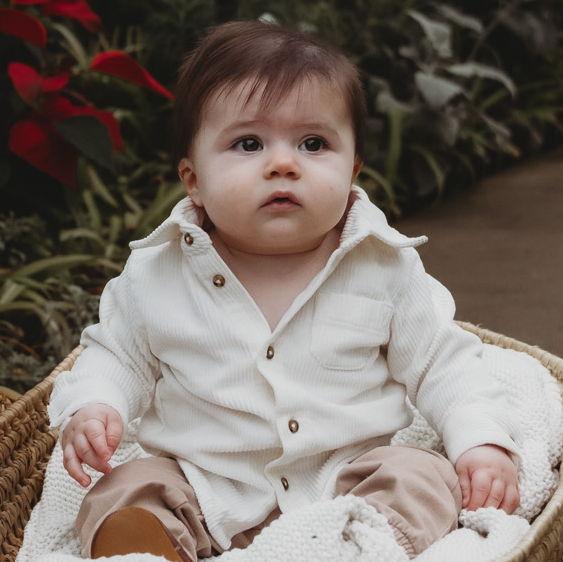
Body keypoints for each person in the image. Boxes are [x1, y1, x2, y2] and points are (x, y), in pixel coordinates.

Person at [47, 19, 521, 562]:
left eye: (313, 143)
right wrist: (95, 405)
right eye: (248, 143)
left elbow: (444, 363)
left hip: (349, 486)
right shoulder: (156, 273)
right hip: (204, 486)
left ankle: (366, 548)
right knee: (127, 486)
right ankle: (150, 548)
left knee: (420, 475)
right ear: (193, 179)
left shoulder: (383, 266)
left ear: (353, 170)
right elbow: (116, 355)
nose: (283, 164)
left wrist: (480, 440)